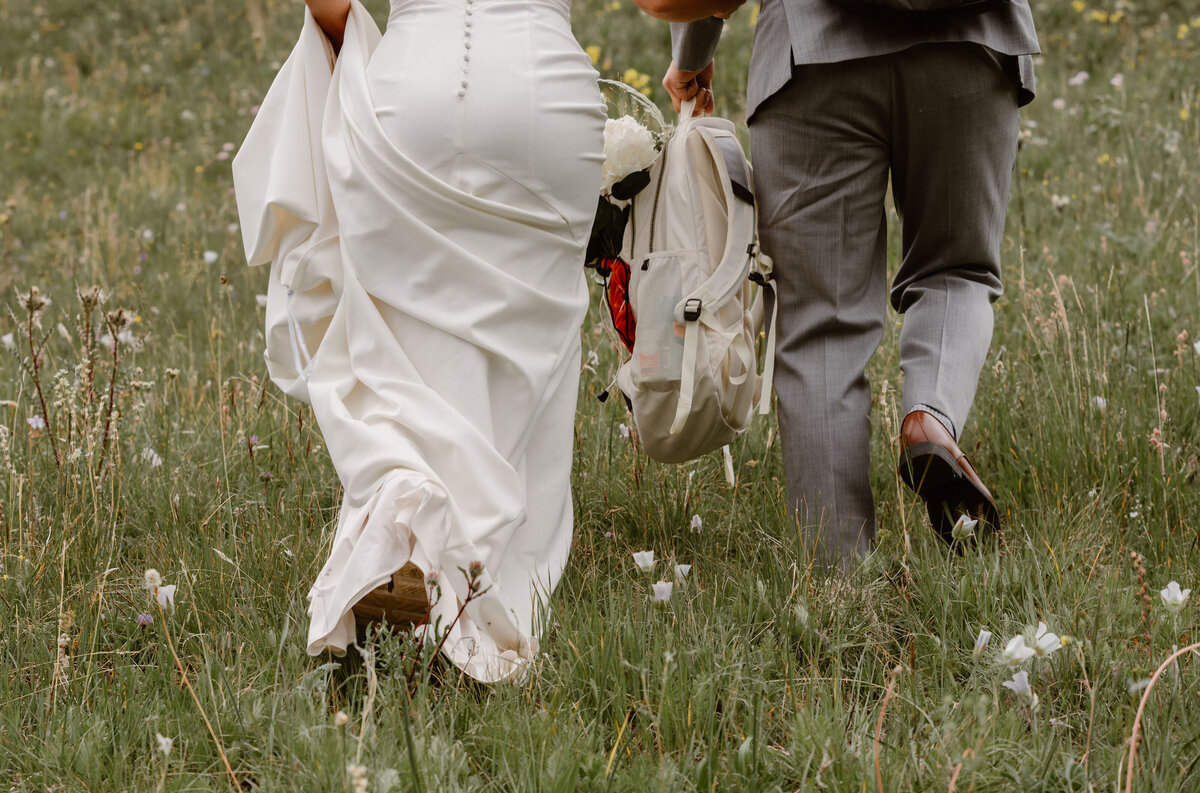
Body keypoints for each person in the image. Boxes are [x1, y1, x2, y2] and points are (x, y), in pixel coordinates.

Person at [233, 0, 604, 682]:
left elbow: (330, 5)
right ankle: (490, 599)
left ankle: (405, 502)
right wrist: (690, 58)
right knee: (530, 347)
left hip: (414, 87)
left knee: (401, 348)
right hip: (543, 94)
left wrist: (350, 51)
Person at [637, 0, 1038, 566]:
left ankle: (837, 582)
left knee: (820, 325)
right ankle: (930, 416)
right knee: (956, 271)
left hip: (811, 56)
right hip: (970, 41)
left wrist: (692, 54)